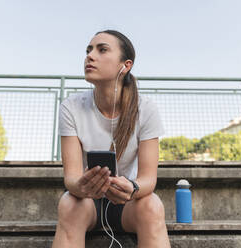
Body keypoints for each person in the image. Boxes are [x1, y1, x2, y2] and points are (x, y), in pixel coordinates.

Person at [52, 30, 171, 248]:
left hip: (129, 204)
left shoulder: (146, 109)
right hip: (87, 203)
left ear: (125, 65)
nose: (90, 56)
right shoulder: (71, 107)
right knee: (68, 203)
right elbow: (70, 178)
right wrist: (82, 187)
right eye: (88, 50)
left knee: (153, 206)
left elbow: (148, 180)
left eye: (102, 49)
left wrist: (132, 187)